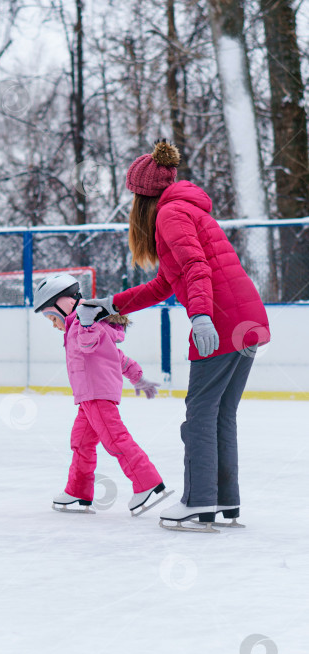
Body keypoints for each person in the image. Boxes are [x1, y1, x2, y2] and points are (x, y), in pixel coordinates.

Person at [77, 139, 270, 532]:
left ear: (142, 196)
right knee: (219, 413)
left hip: (222, 320)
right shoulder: (185, 209)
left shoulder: (170, 214)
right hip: (246, 319)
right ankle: (224, 501)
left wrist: (201, 318)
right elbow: (165, 284)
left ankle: (199, 503)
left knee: (199, 415)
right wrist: (110, 304)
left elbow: (198, 268)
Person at [33, 272, 172, 515]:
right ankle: (78, 491)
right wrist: (138, 378)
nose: (55, 325)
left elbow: (88, 345)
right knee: (81, 443)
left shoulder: (85, 325)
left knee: (115, 439)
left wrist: (85, 324)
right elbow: (117, 357)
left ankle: (147, 483)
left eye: (53, 318)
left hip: (96, 395)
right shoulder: (83, 325)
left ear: (64, 305)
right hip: (88, 398)